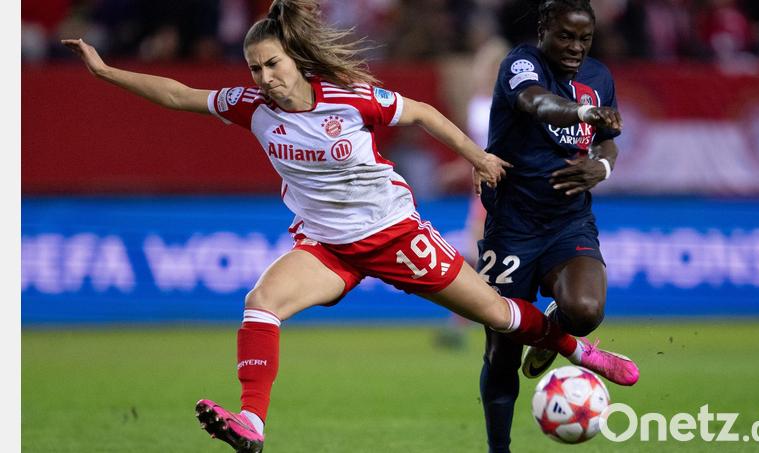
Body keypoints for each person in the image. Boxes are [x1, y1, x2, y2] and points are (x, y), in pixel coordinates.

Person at [62, 1, 638, 451]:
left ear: (297, 61)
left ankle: (577, 351)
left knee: (501, 316)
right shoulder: (250, 107)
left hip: (396, 236)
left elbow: (419, 111)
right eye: (255, 68)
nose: (263, 78)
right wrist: (107, 71)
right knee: (261, 302)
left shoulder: (350, 98)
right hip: (326, 247)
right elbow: (179, 93)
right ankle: (252, 422)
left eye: (272, 64)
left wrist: (476, 156)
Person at [475, 1, 629, 452]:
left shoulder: (599, 77)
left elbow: (607, 144)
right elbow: (535, 102)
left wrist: (600, 168)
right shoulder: (521, 63)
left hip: (569, 221)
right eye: (565, 36)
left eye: (585, 39)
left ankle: (551, 333)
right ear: (544, 29)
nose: (576, 48)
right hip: (512, 226)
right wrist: (582, 114)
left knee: (586, 311)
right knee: (502, 353)